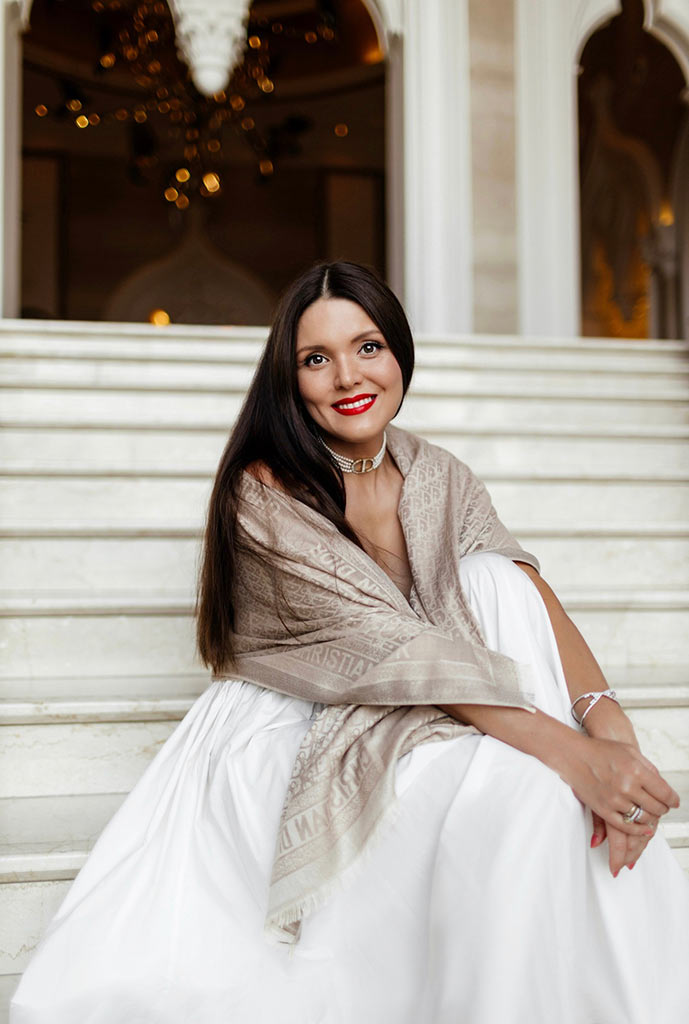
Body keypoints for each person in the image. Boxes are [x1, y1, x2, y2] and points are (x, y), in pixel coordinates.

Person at [10, 260, 689, 1024]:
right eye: (316, 358)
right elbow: (385, 647)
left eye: (367, 347)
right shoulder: (262, 489)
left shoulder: (437, 473)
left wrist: (609, 735)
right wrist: (568, 756)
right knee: (536, 794)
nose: (347, 377)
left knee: (496, 581)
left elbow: (530, 595)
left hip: (454, 699)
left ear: (398, 352)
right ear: (289, 378)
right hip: (306, 712)